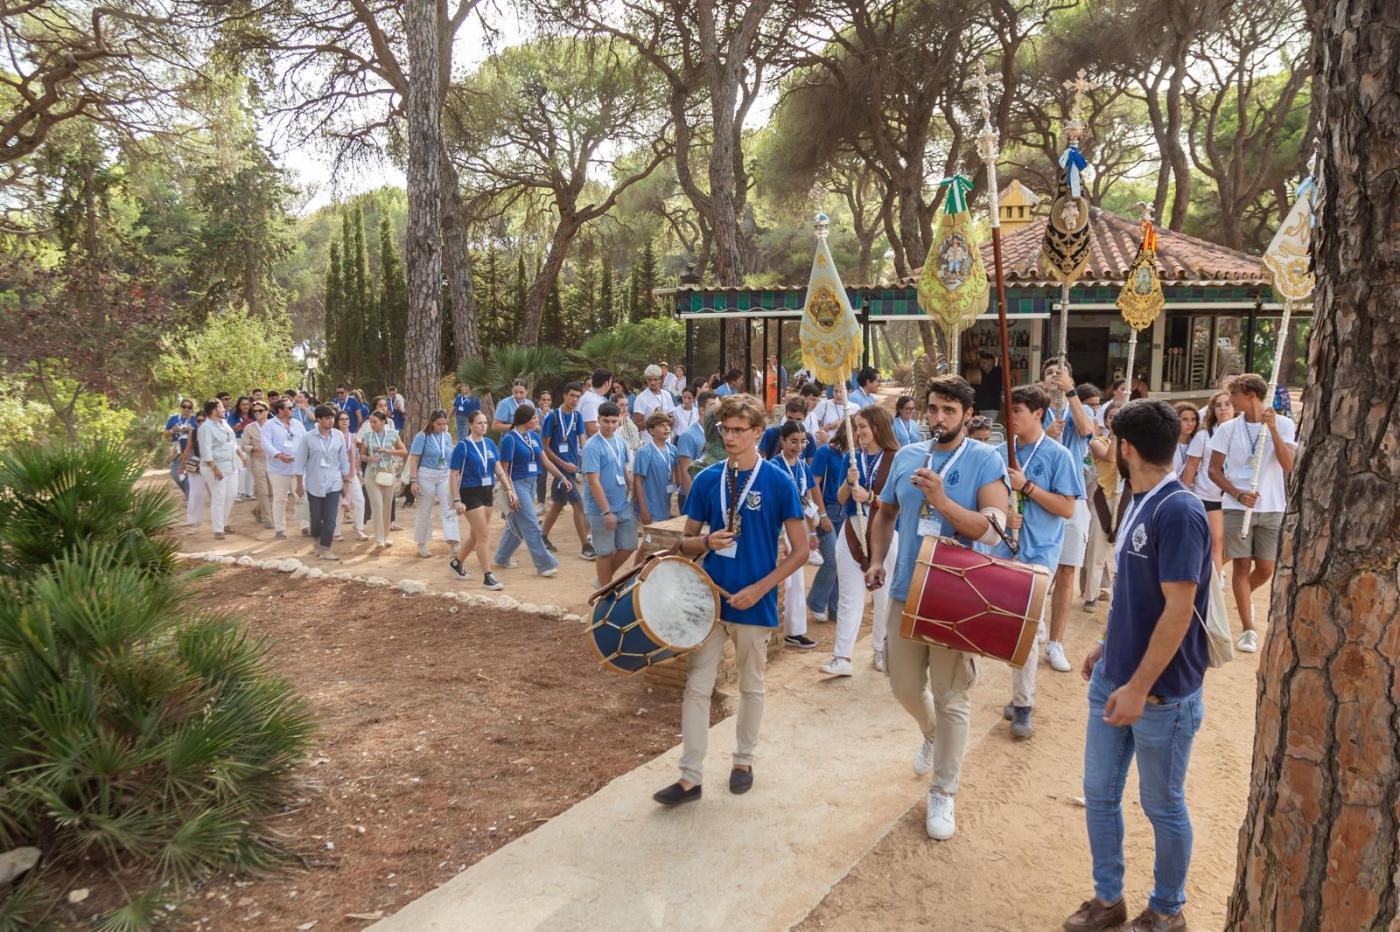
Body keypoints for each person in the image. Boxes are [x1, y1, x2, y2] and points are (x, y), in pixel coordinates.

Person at [1063, 400, 1211, 932]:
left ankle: (1167, 910)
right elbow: (1133, 592)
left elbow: (1178, 610)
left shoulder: (1179, 510)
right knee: (1100, 793)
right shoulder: (1141, 500)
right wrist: (1107, 645)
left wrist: (1138, 686)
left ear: (1125, 448)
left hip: (1160, 694)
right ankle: (1109, 900)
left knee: (1162, 805)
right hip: (1115, 676)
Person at [863, 375, 1009, 841]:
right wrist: (877, 559)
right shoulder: (908, 455)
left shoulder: (986, 458)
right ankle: (931, 733)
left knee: (951, 696)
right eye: (933, 409)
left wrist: (942, 501)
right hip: (906, 590)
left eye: (949, 410)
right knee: (903, 685)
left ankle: (944, 790)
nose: (939, 418)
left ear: (968, 415)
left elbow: (993, 531)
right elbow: (886, 512)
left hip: (956, 597)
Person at [652, 393, 808, 806]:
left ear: (758, 432)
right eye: (725, 429)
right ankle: (690, 777)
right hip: (710, 600)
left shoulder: (778, 482)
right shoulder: (707, 480)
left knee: (751, 685)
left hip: (754, 602)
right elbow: (684, 543)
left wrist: (762, 588)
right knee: (696, 687)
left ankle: (743, 761)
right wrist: (705, 542)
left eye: (739, 430)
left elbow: (800, 551)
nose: (731, 437)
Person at [995, 385, 1079, 739]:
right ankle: (1022, 688)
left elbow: (1067, 508)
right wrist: (1004, 513)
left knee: (1025, 628)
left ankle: (1023, 704)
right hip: (1002, 551)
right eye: (1009, 410)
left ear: (1038, 413)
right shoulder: (999, 452)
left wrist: (1027, 487)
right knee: (1010, 626)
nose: (1010, 417)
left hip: (1040, 552)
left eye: (1017, 411)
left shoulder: (1059, 455)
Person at [1206, 373, 1296, 653]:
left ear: (1252, 395)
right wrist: (1237, 494)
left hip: (1272, 506)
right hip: (1237, 507)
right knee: (1242, 566)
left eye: (1234, 395)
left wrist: (1273, 431)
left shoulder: (1284, 424)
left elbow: (1288, 464)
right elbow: (1213, 470)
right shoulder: (1228, 429)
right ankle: (1248, 629)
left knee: (1266, 568)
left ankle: (1242, 596)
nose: (1230, 400)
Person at [823, 405, 901, 676]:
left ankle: (881, 650)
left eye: (862, 427)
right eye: (856, 427)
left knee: (883, 597)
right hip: (852, 532)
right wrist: (848, 481)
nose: (857, 433)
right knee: (849, 596)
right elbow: (840, 498)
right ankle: (842, 656)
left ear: (877, 427)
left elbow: (902, 502)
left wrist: (871, 498)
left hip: (886, 534)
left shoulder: (897, 458)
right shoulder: (852, 458)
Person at [1042, 361, 1096, 674]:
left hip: (1073, 500)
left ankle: (1055, 643)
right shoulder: (1036, 412)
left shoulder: (1079, 411)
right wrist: (1046, 434)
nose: (1055, 376)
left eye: (1060, 372)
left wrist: (1071, 392)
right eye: (1050, 373)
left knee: (1066, 572)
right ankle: (1032, 629)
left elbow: (1088, 430)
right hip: (1039, 500)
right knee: (1037, 569)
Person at [496, 403, 569, 577]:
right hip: (517, 484)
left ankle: (501, 557)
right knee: (531, 523)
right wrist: (510, 491)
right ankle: (545, 565)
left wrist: (562, 477)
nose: (537, 420)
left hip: (532, 483)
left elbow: (545, 461)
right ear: (525, 420)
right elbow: (504, 470)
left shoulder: (534, 436)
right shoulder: (509, 439)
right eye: (534, 418)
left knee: (517, 524)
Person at [448, 409, 510, 590]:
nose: (483, 426)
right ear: (470, 425)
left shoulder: (489, 443)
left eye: (485, 423)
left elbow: (498, 469)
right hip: (469, 492)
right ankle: (487, 576)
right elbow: (453, 475)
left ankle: (457, 563)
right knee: (483, 535)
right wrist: (457, 500)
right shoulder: (463, 446)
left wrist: (508, 489)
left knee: (476, 535)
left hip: (487, 491)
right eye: (479, 423)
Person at [772, 420, 820, 650]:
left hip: (798, 528)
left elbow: (808, 496)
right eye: (793, 441)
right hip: (781, 529)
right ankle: (776, 630)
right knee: (786, 583)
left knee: (797, 582)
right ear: (782, 441)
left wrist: (812, 530)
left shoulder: (802, 466)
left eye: (803, 442)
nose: (799, 446)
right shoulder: (773, 466)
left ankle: (795, 631)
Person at [540, 382, 597, 561]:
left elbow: (583, 441)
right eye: (572, 395)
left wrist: (589, 458)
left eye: (578, 397)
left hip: (572, 469)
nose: (575, 400)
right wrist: (563, 464)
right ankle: (585, 547)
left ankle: (542, 537)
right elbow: (545, 447)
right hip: (560, 471)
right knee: (578, 504)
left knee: (558, 504)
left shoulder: (577, 416)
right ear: (564, 395)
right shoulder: (552, 417)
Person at [582, 401, 636, 587]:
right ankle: (605, 592)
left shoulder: (620, 441)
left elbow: (623, 467)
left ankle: (602, 580)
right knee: (604, 552)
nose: (610, 425)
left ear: (619, 420)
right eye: (606, 421)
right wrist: (606, 511)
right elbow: (593, 481)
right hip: (600, 509)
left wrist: (631, 485)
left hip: (622, 504)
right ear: (598, 420)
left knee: (630, 545)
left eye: (614, 421)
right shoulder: (592, 446)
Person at [1179, 391, 1233, 571]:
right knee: (1215, 542)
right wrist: (1184, 496)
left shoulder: (1243, 433)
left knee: (1233, 544)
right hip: (1208, 495)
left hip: (1236, 496)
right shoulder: (1204, 435)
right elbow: (1191, 466)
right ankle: (1215, 582)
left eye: (1227, 404)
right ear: (1212, 410)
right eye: (1218, 405)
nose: (1223, 408)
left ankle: (1209, 573)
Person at [292, 404, 351, 560]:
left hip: (334, 482)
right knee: (316, 519)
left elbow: (343, 459)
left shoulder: (338, 435)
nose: (330, 421)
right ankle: (318, 542)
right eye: (326, 418)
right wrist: (299, 484)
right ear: (318, 420)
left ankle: (325, 549)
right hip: (314, 483)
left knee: (331, 518)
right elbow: (300, 462)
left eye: (332, 418)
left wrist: (346, 481)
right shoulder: (308, 438)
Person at [806, 422, 850, 622]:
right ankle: (816, 602)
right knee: (831, 560)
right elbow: (814, 484)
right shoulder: (825, 452)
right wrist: (822, 514)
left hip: (844, 510)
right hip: (827, 509)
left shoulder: (853, 455)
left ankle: (834, 607)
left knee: (842, 560)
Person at [1083, 402, 1124, 611]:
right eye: (1111, 417)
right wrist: (1117, 433)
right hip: (1103, 500)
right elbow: (1110, 457)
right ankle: (1091, 595)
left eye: (1119, 416)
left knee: (1123, 553)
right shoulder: (1097, 442)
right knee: (1096, 552)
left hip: (1125, 498)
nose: (1114, 420)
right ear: (1105, 421)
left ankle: (1121, 596)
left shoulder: (1132, 443)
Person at [407, 410, 462, 558]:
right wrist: (414, 481)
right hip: (426, 476)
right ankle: (422, 543)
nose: (442, 427)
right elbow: (414, 459)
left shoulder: (447, 436)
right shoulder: (422, 436)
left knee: (449, 507)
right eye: (439, 424)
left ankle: (454, 542)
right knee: (425, 509)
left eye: (445, 424)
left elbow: (449, 455)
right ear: (432, 422)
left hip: (444, 475)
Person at [360, 410, 406, 548]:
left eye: (375, 422)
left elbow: (404, 452)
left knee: (387, 505)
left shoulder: (393, 434)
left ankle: (386, 536)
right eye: (370, 422)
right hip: (372, 473)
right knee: (377, 505)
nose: (372, 424)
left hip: (388, 471)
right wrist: (368, 458)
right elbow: (361, 455)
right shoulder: (367, 436)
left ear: (383, 421)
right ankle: (379, 538)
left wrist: (388, 451)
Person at [197, 399, 242, 540]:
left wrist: (240, 454)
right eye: (221, 407)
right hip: (215, 467)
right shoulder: (205, 428)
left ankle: (224, 522)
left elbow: (231, 441)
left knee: (231, 495)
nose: (224, 409)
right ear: (213, 410)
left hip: (231, 465)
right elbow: (206, 451)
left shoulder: (224, 423)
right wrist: (215, 469)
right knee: (219, 497)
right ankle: (218, 529)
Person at [261, 399, 306, 539]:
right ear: (280, 411)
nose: (293, 410)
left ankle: (305, 526)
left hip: (297, 468)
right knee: (280, 498)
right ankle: (280, 529)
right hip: (278, 469)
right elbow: (266, 444)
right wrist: (279, 455)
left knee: (301, 496)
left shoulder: (298, 424)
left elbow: (305, 441)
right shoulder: (269, 425)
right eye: (290, 408)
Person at [676, 390, 718, 508]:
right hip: (692, 496)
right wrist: (693, 503)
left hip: (711, 494)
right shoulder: (688, 435)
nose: (717, 409)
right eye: (713, 406)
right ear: (702, 410)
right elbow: (686, 472)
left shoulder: (719, 433)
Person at [634, 411, 677, 526]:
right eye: (662, 425)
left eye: (667, 425)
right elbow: (638, 481)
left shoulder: (673, 449)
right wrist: (643, 509)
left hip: (665, 504)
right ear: (651, 431)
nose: (666, 428)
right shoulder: (644, 451)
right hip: (650, 506)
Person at [333, 410, 370, 542]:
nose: (345, 421)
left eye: (347, 419)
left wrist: (359, 472)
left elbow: (356, 456)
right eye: (341, 419)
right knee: (338, 504)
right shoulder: (333, 436)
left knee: (360, 500)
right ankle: (336, 531)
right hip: (337, 475)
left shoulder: (353, 436)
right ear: (337, 422)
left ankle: (359, 528)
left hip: (351, 474)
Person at [242, 401, 273, 529]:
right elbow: (244, 445)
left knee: (272, 492)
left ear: (267, 411)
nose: (257, 413)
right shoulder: (249, 428)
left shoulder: (274, 425)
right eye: (255, 411)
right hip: (257, 461)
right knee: (263, 491)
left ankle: (258, 510)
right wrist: (254, 448)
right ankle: (268, 519)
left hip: (273, 462)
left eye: (260, 410)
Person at [180, 411, 208, 528]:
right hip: (196, 461)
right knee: (195, 493)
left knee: (215, 492)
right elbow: (188, 449)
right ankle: (193, 520)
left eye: (203, 420)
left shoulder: (214, 430)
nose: (201, 423)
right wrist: (182, 467)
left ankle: (219, 519)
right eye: (198, 420)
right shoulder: (193, 431)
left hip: (211, 462)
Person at [164, 400, 197, 499]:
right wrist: (172, 430)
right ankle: (188, 494)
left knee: (191, 473)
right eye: (184, 406)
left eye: (189, 407)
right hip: (177, 451)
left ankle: (189, 498)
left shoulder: (195, 420)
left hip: (192, 451)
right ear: (181, 407)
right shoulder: (173, 419)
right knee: (175, 474)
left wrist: (190, 431)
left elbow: (201, 434)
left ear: (191, 409)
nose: (186, 409)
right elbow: (165, 435)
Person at [580, 368, 612, 437]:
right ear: (606, 383)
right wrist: (615, 424)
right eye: (611, 382)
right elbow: (592, 430)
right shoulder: (590, 400)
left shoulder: (596, 398)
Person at [973, 352, 1003, 420]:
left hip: (992, 406)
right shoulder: (978, 373)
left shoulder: (999, 373)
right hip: (978, 406)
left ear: (991, 363)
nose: (981, 365)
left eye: (984, 363)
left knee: (989, 425)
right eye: (980, 363)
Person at [1172, 403, 1199, 474]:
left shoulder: (1199, 442)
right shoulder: (1167, 445)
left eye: (1193, 419)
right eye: (1185, 419)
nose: (1190, 424)